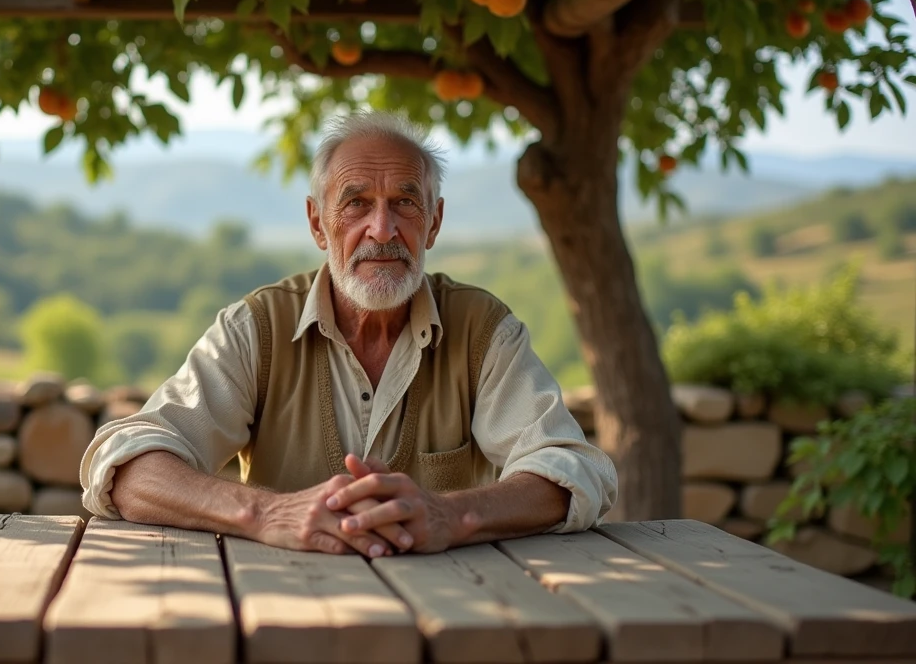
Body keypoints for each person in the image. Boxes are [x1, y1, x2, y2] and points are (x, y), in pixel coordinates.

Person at [79, 111, 617, 558]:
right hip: (277, 608)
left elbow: (572, 468)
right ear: (318, 223)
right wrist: (269, 513)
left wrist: (451, 515)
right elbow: (127, 464)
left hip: (454, 614)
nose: (382, 229)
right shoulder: (257, 328)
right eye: (356, 202)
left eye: (405, 202)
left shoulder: (483, 330)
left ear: (433, 223)